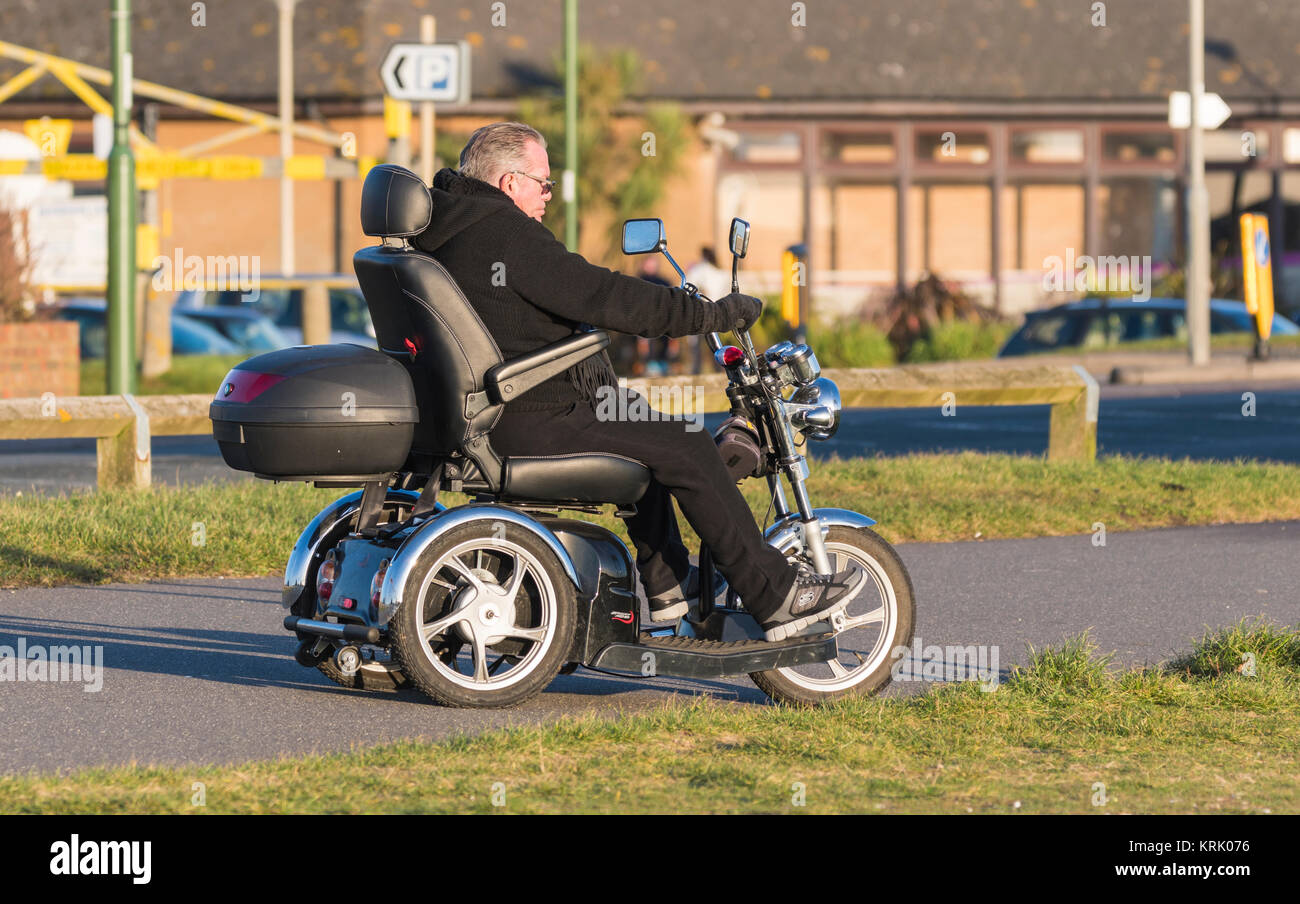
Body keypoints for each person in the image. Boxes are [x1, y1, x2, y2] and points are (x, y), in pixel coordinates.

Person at [410, 121, 863, 642]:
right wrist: (709, 315)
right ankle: (777, 595)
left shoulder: (446, 229)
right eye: (543, 184)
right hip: (527, 416)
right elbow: (603, 295)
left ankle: (671, 586)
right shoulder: (503, 231)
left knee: (640, 424)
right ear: (510, 182)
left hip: (495, 410)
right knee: (688, 444)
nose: (548, 197)